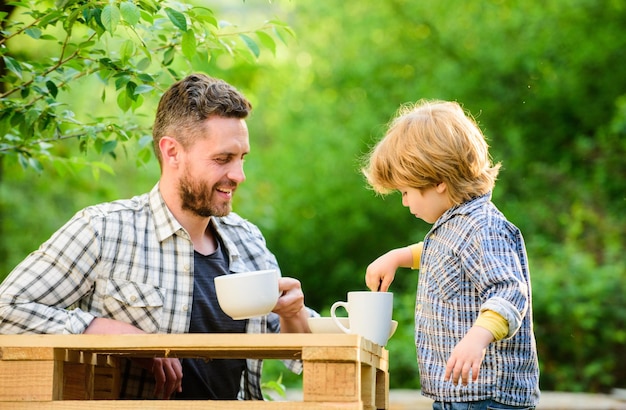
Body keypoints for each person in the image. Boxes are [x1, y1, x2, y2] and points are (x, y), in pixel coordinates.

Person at [0, 73, 316, 401]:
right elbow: (7, 307)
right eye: (223, 159)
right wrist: (124, 338)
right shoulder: (103, 230)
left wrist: (294, 315)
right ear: (172, 152)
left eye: (241, 158)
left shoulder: (248, 241)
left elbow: (297, 357)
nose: (239, 175)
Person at [361, 100, 540, 409]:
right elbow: (444, 255)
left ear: (439, 182)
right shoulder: (454, 226)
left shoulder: (483, 227)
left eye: (405, 192)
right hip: (459, 393)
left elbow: (509, 291)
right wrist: (398, 257)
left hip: (487, 396)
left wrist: (478, 337)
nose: (404, 203)